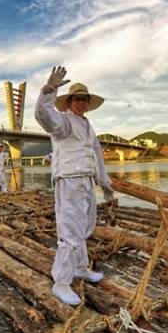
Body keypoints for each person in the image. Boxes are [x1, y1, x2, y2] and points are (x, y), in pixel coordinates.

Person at [35, 66, 115, 306]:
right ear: (69, 102)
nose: (80, 103)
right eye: (76, 99)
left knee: (85, 226)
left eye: (84, 99)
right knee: (69, 230)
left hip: (87, 181)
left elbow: (97, 159)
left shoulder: (89, 128)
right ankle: (61, 282)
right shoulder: (64, 123)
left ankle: (80, 267)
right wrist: (48, 91)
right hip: (69, 179)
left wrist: (106, 185)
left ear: (88, 103)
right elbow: (43, 116)